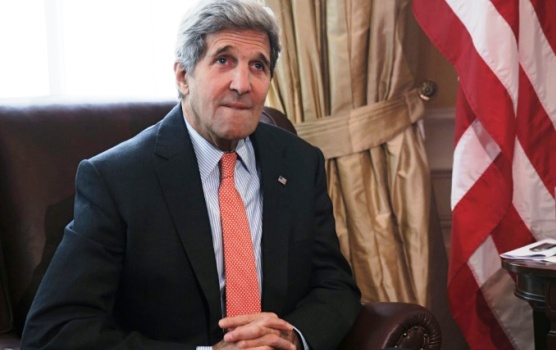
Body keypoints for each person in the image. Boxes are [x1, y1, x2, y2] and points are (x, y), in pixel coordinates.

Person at [21, 0, 361, 349]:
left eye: (257, 65)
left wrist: (293, 337)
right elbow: (56, 329)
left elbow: (335, 285)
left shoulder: (300, 163)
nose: (241, 84)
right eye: (223, 60)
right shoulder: (117, 179)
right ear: (184, 76)